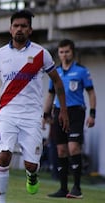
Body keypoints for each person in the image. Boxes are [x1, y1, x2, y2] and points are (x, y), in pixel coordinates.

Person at [0, 10, 69, 203]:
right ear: (10, 29)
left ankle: (32, 174)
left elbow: (58, 83)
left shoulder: (41, 54)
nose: (19, 29)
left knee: (31, 164)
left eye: (24, 26)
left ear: (30, 30)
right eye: (16, 26)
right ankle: (1, 201)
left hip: (32, 115)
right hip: (6, 112)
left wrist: (64, 111)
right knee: (3, 156)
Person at [44, 39, 96, 199]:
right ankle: (63, 188)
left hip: (75, 112)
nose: (64, 55)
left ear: (72, 52)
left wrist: (92, 114)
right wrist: (45, 114)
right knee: (61, 150)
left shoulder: (81, 71)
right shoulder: (56, 72)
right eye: (61, 52)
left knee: (73, 147)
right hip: (58, 112)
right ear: (58, 54)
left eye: (67, 51)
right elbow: (51, 94)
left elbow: (91, 92)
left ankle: (77, 187)